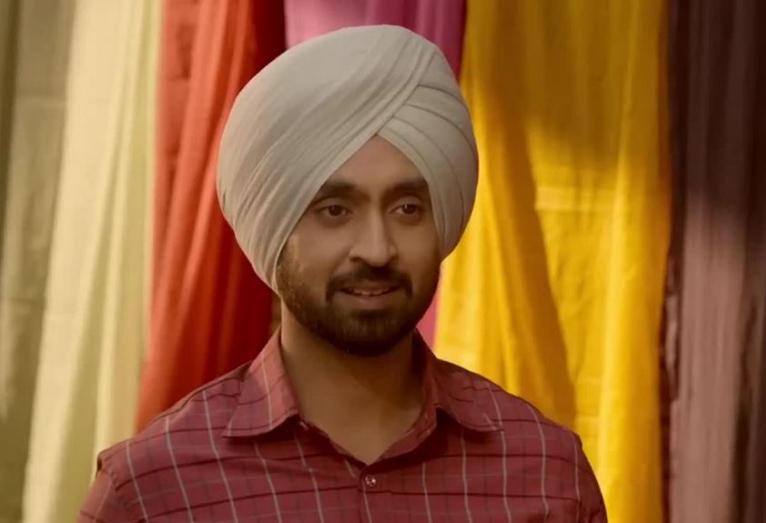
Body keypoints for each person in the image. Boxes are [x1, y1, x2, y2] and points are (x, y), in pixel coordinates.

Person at [79, 25, 606, 522]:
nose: (376, 250)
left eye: (406, 209)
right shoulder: (154, 490)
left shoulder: (545, 475)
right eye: (335, 210)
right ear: (273, 224)